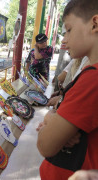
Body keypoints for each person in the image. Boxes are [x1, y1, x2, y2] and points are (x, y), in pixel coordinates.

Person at [36, 0, 98, 180]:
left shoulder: (92, 80)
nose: (64, 39)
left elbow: (45, 145)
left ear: (95, 24)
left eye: (69, 30)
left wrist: (50, 119)